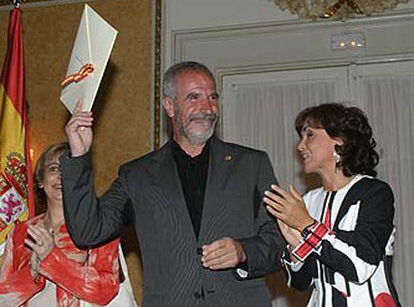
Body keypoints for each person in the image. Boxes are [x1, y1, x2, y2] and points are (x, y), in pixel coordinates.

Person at [60, 61, 286, 306]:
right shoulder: (137, 175)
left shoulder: (251, 165)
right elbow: (88, 231)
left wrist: (243, 251)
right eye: (193, 97)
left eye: (212, 97)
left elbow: (279, 240)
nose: (207, 107)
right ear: (169, 106)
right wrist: (79, 156)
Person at [264, 103, 400, 306]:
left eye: (309, 135)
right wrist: (295, 246)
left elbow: (360, 265)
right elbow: (300, 282)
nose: (300, 146)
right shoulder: (309, 201)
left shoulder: (374, 193)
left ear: (340, 141)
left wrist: (307, 226)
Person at [0, 142, 136, 306]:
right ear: (40, 180)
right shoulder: (21, 233)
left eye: (68, 169)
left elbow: (105, 291)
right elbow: (3, 299)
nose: (61, 176)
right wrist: (31, 273)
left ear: (78, 180)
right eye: (53, 168)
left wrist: (51, 260)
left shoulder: (98, 226)